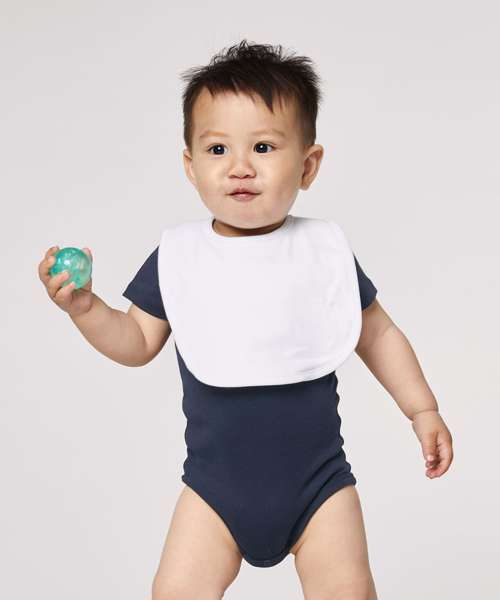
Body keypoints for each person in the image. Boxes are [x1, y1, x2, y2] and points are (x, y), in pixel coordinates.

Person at [38, 39, 454, 600]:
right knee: (175, 593)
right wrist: (86, 309)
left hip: (320, 488)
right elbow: (136, 341)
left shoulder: (322, 252)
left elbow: (377, 333)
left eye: (263, 146)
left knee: (348, 592)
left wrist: (422, 408)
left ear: (307, 166)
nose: (239, 167)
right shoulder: (179, 257)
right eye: (217, 149)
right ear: (190, 167)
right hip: (212, 492)